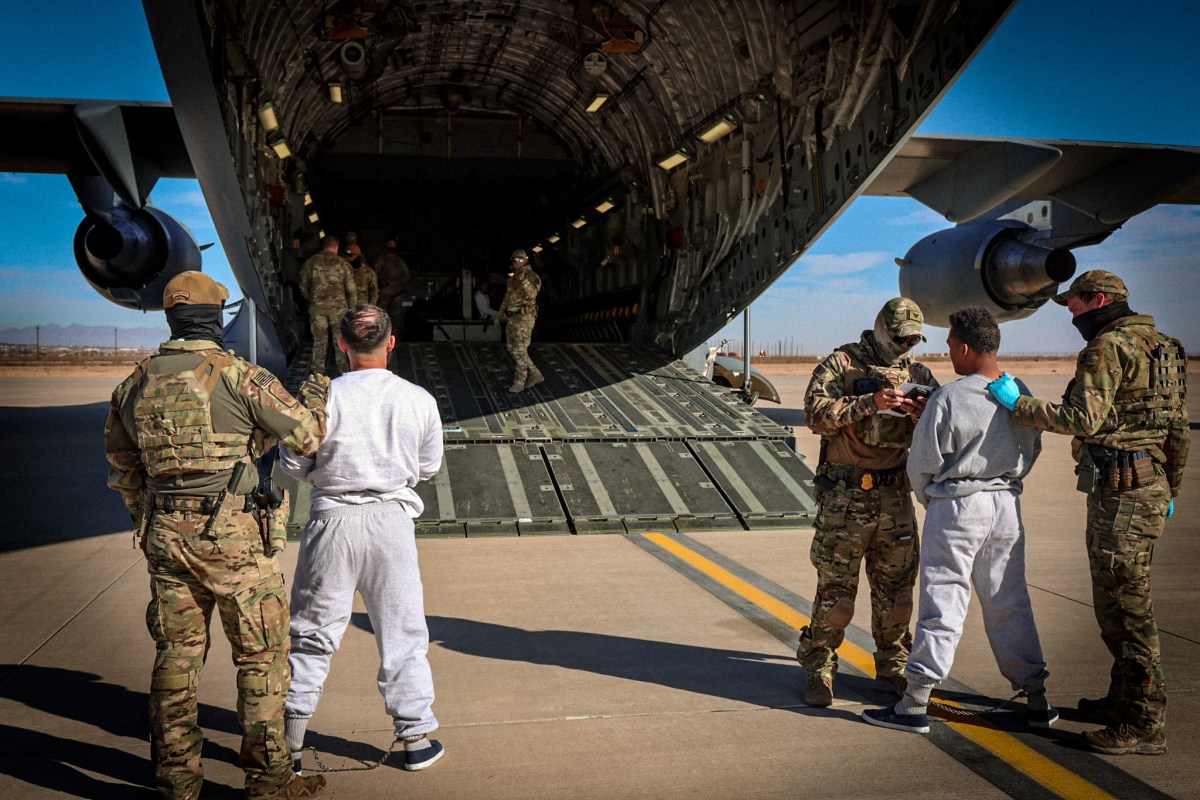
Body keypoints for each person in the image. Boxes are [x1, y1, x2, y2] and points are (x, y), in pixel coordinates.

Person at [104, 271, 330, 800]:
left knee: (177, 655)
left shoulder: (132, 384)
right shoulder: (240, 376)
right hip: (233, 541)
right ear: (216, 319)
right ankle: (270, 782)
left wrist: (152, 516)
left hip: (165, 535)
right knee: (260, 657)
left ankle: (177, 780)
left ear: (172, 318)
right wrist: (317, 391)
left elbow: (123, 467)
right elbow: (307, 434)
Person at [989, 270, 1188, 756]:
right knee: (1120, 603)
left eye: (1075, 307)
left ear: (1098, 300)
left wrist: (1020, 405)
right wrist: (1171, 488)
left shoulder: (1106, 348)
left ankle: (1144, 722)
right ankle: (1122, 699)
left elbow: (1082, 420)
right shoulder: (1167, 347)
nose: (1073, 316)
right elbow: (1178, 428)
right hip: (1149, 486)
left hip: (1121, 497)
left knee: (1125, 609)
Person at [862, 307, 1056, 734]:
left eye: (950, 346)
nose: (949, 354)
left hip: (958, 506)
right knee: (1009, 601)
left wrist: (934, 500)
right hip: (1005, 504)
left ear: (965, 348)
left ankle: (914, 703)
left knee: (943, 604)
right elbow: (1033, 448)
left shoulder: (949, 397)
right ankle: (1036, 698)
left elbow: (923, 463)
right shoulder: (1017, 391)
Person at [280, 304, 446, 773]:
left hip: (331, 520)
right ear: (391, 343)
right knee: (402, 633)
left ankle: (289, 744)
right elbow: (429, 467)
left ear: (341, 345)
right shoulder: (418, 400)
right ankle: (414, 739)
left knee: (312, 634)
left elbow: (293, 464)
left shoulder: (321, 399)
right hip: (392, 523)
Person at [799, 297, 938, 706]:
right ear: (880, 327)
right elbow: (815, 414)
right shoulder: (842, 364)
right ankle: (820, 669)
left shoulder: (918, 373)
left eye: (913, 340)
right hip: (846, 496)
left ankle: (893, 669)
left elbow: (941, 429)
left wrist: (922, 413)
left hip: (894, 496)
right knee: (836, 592)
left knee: (896, 591)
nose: (905, 346)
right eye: (899, 338)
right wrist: (869, 404)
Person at [299, 235, 357, 375]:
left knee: (319, 341)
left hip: (317, 309)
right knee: (340, 341)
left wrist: (312, 300)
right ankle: (343, 372)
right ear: (336, 247)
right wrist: (352, 310)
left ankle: (317, 374)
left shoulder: (311, 262)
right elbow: (351, 290)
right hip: (338, 310)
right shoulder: (342, 263)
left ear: (323, 246)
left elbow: (302, 285)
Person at [496, 249, 543, 392]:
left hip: (524, 317)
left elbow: (531, 294)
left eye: (519, 260)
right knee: (512, 348)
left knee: (519, 350)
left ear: (525, 260)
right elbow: (507, 297)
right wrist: (500, 314)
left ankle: (519, 382)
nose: (516, 263)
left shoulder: (532, 277)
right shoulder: (512, 279)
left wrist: (522, 278)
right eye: (514, 260)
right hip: (512, 317)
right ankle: (535, 373)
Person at [375, 239, 410, 336]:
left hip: (395, 292)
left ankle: (393, 335)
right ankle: (383, 335)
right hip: (386, 292)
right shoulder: (382, 259)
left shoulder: (398, 261)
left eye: (392, 246)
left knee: (394, 316)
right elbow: (376, 272)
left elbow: (406, 275)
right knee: (383, 315)